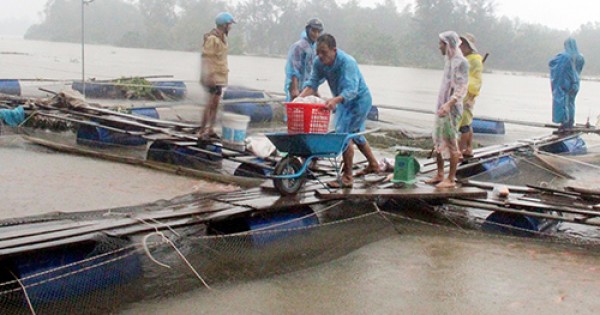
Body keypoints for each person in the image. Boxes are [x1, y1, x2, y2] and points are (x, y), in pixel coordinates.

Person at [298, 34, 380, 188]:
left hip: (359, 101)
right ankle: (374, 164)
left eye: (324, 52)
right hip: (342, 100)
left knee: (344, 135)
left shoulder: (347, 62)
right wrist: (298, 100)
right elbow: (312, 84)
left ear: (334, 50)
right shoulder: (319, 63)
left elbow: (351, 90)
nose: (321, 56)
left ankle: (347, 177)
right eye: (318, 53)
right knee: (355, 133)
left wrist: (334, 100)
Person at [426, 31, 469, 189]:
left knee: (451, 142)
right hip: (442, 107)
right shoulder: (449, 60)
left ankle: (451, 178)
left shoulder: (461, 62)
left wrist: (449, 104)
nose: (439, 47)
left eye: (441, 44)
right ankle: (439, 174)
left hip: (452, 108)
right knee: (437, 139)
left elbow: (461, 88)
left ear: (448, 44)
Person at [198, 12, 235, 139]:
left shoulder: (222, 38)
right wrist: (209, 76)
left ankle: (210, 129)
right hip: (212, 76)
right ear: (224, 25)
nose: (231, 27)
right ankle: (202, 130)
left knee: (215, 104)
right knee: (209, 104)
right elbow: (207, 58)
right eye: (229, 25)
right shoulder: (212, 39)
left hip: (220, 77)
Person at [284, 18, 324, 102]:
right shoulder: (299, 46)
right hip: (297, 86)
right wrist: (294, 89)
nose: (316, 34)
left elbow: (313, 72)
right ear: (308, 30)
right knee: (295, 108)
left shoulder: (315, 47)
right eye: (313, 31)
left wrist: (315, 91)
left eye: (318, 32)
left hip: (308, 88)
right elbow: (294, 69)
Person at [549, 37, 585, 130]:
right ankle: (570, 123)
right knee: (571, 103)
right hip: (576, 84)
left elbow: (552, 63)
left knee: (563, 102)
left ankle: (564, 123)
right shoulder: (580, 57)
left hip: (566, 83)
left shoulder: (564, 56)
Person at [458, 33, 483, 158]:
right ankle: (468, 148)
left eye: (463, 45)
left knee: (464, 125)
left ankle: (460, 150)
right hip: (462, 94)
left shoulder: (474, 60)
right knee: (467, 122)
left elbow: (477, 80)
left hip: (468, 95)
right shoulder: (468, 59)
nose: (460, 47)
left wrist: (471, 97)